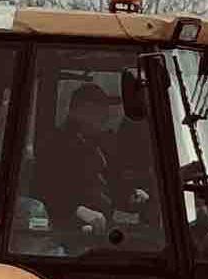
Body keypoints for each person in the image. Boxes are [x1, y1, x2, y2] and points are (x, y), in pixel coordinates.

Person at [28, 83, 145, 246]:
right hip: (67, 237)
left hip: (100, 231)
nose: (106, 116)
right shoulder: (55, 145)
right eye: (99, 110)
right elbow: (42, 188)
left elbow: (109, 185)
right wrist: (76, 210)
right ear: (79, 111)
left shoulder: (99, 144)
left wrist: (130, 196)